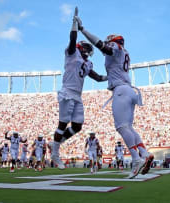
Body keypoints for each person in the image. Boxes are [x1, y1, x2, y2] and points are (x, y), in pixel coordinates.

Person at [75, 12, 154, 179]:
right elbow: (109, 74)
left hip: (121, 91)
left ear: (114, 42)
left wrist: (83, 30)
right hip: (128, 90)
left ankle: (136, 158)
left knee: (121, 127)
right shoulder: (125, 52)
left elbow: (100, 45)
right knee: (129, 127)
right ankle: (144, 153)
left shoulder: (116, 49)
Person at [51, 7, 107, 169]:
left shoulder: (88, 63)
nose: (89, 53)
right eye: (88, 50)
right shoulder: (72, 52)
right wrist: (74, 23)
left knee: (77, 126)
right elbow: (72, 38)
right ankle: (55, 154)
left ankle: (55, 143)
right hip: (67, 91)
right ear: (81, 47)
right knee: (62, 124)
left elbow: (96, 77)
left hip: (77, 95)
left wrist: (111, 77)